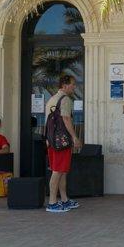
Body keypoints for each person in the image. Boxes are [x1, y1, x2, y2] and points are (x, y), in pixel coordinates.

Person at [43, 73, 82, 213]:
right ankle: (52, 202)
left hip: (52, 140)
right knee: (58, 171)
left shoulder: (52, 99)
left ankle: (64, 199)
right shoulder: (65, 99)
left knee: (61, 171)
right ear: (65, 85)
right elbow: (66, 119)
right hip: (62, 141)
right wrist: (74, 137)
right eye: (72, 84)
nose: (74, 87)